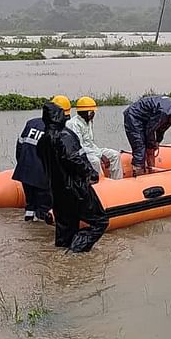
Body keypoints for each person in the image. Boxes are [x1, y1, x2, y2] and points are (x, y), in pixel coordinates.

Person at [37, 102, 109, 252]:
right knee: (100, 221)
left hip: (56, 191)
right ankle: (76, 250)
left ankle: (63, 254)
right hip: (76, 189)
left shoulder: (42, 141)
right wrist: (90, 173)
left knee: (65, 227)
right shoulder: (65, 136)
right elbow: (74, 159)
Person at [12, 96, 71, 224]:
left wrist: (21, 165)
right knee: (44, 208)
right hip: (42, 176)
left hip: (25, 172)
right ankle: (40, 238)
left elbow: (20, 147)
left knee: (30, 205)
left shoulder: (31, 123)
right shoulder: (56, 131)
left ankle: (28, 228)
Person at [122, 96, 171, 177]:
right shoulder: (164, 112)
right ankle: (138, 172)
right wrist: (151, 144)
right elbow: (151, 130)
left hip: (147, 118)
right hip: (134, 117)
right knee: (140, 147)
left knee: (151, 147)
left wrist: (158, 141)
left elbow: (162, 129)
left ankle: (151, 171)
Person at [66, 96, 124, 180]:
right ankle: (100, 183)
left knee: (115, 155)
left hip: (91, 149)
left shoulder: (88, 122)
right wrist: (100, 155)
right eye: (92, 111)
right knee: (95, 161)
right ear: (87, 112)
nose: (93, 114)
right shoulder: (74, 124)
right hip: (81, 153)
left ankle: (117, 181)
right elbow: (80, 147)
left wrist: (99, 153)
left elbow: (90, 143)